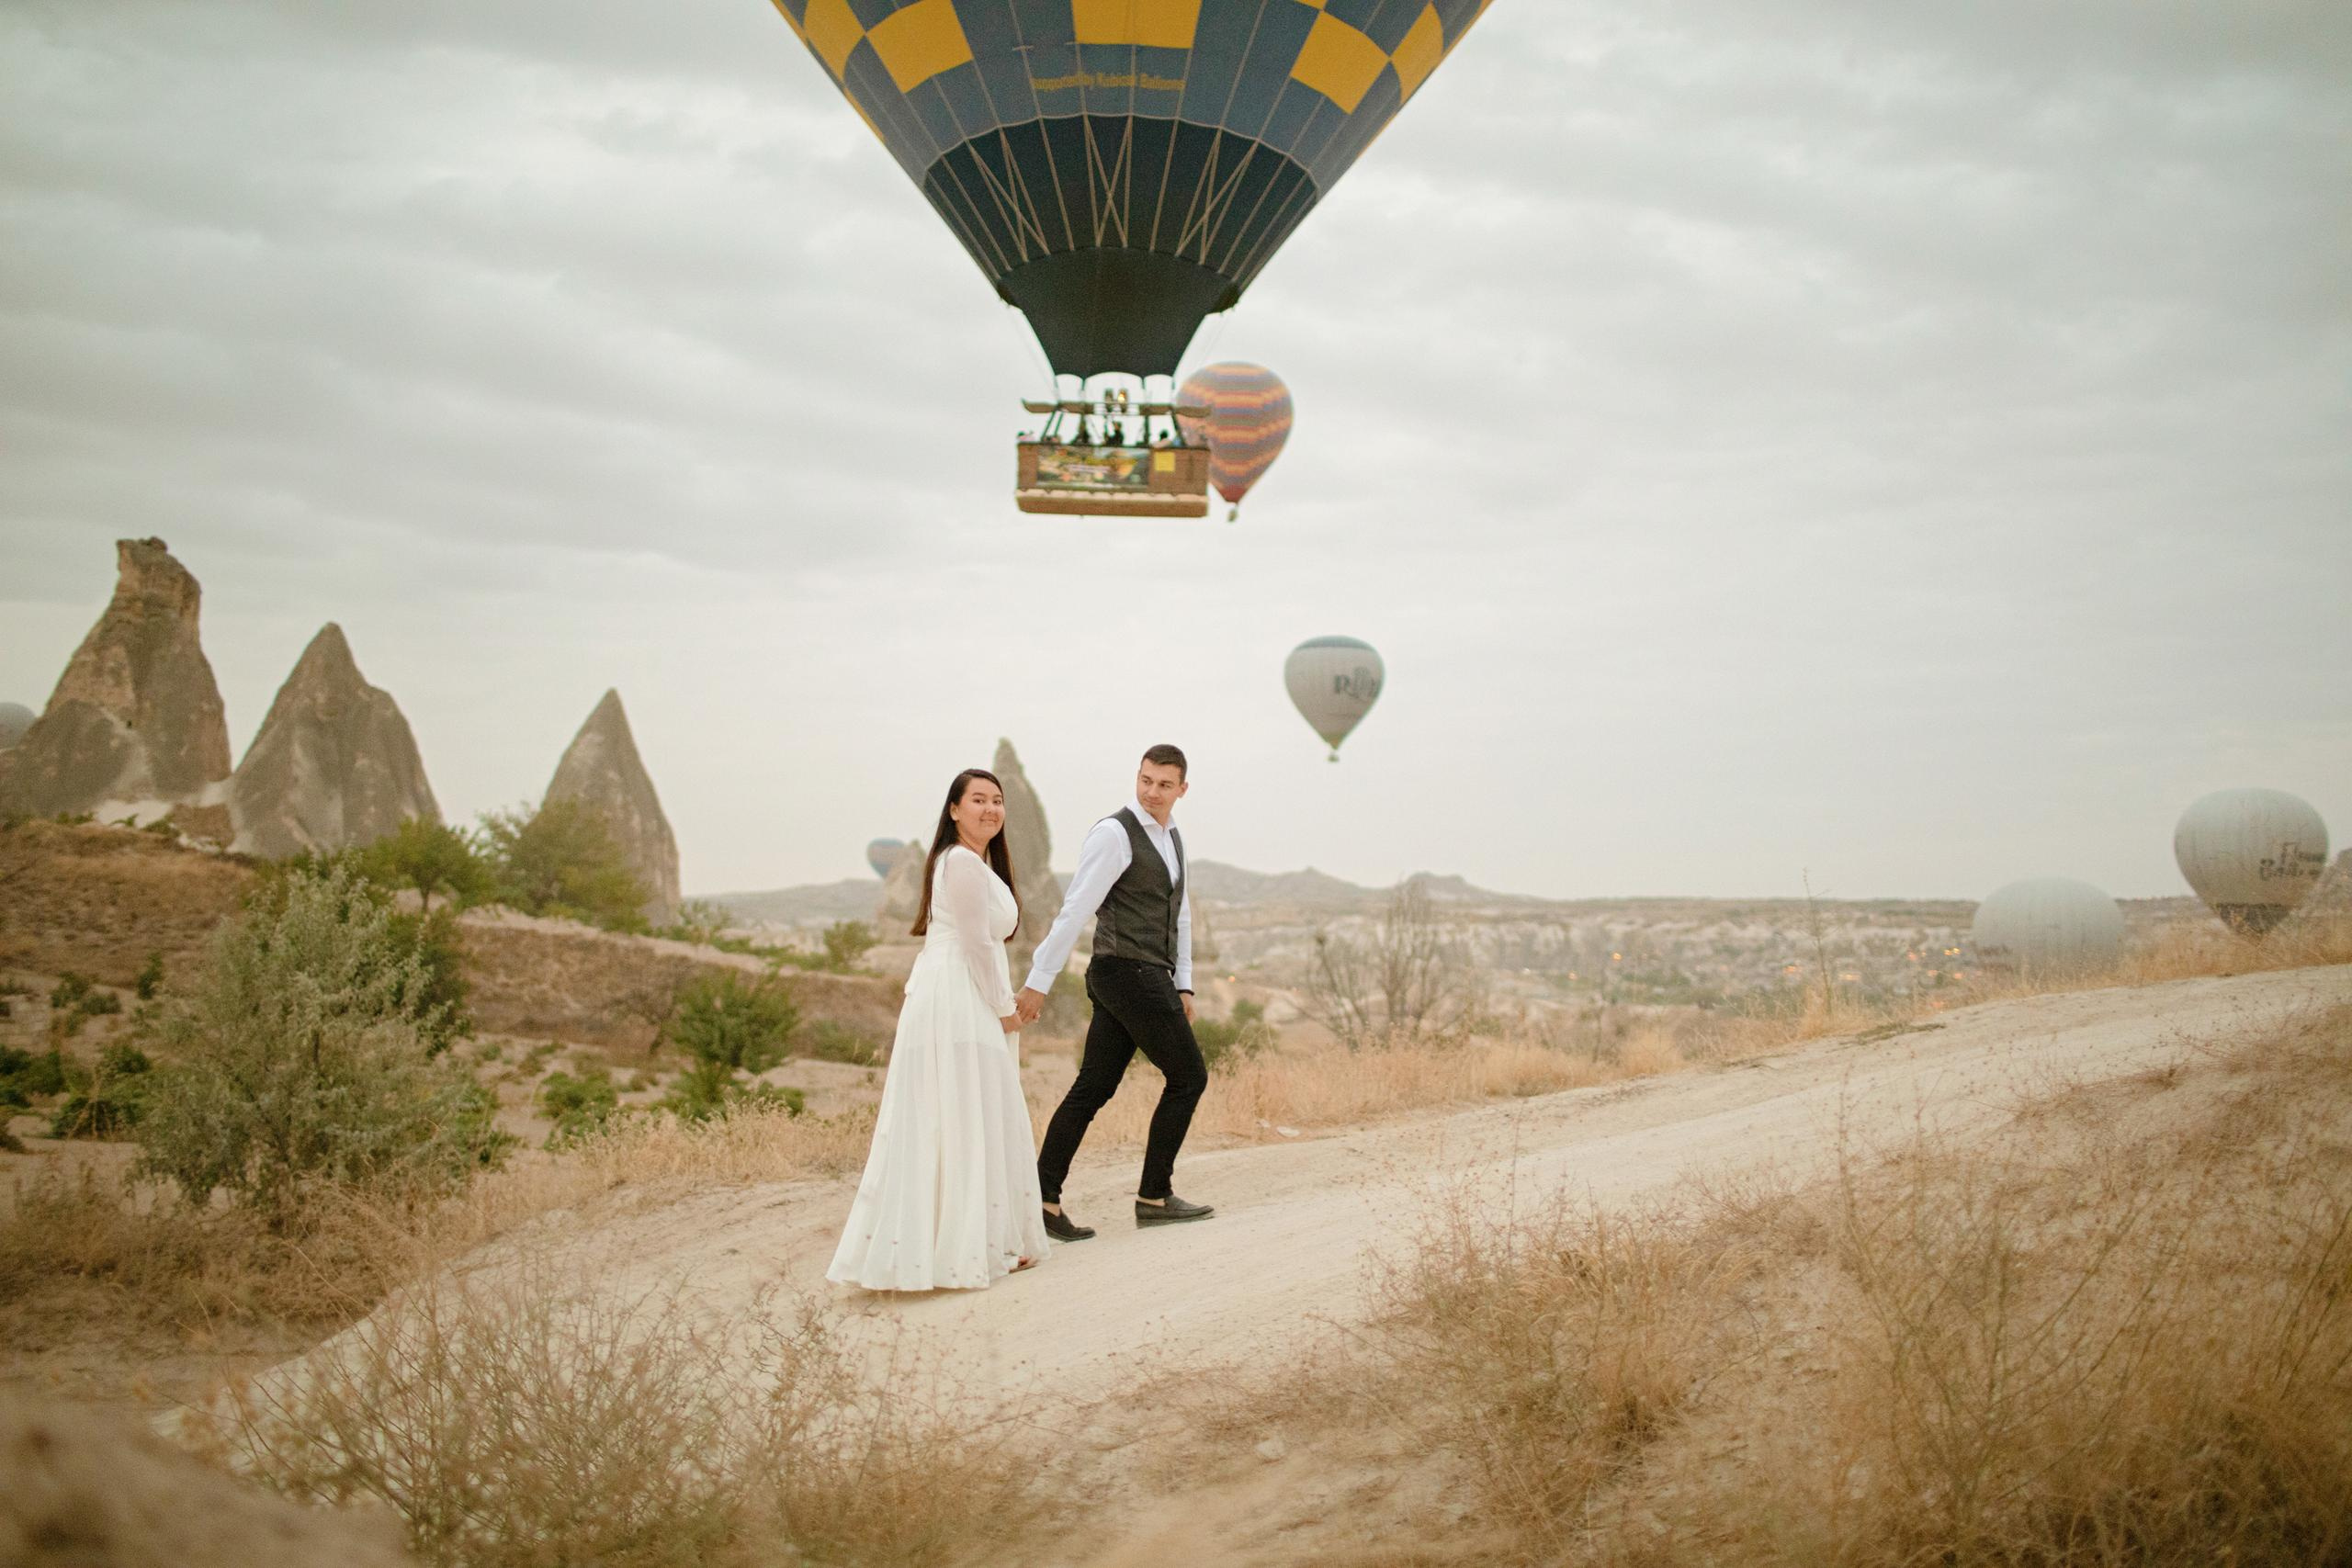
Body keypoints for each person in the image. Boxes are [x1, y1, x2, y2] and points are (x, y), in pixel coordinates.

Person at [828, 769, 1052, 1291]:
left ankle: (974, 1241)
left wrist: (1003, 1001)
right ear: (954, 810)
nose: (991, 809)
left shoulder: (974, 865)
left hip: (960, 988)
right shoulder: (962, 864)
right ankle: (965, 1246)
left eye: (998, 801)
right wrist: (1004, 1009)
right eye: (978, 800)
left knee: (958, 1113)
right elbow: (975, 942)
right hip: (958, 995)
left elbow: (983, 946)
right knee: (963, 1111)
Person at [1016, 744, 1214, 1237]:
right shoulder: (1114, 834)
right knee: (1189, 1077)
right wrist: (1039, 981)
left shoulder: (1172, 837)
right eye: (1146, 780)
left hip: (1140, 974)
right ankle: (1154, 1195)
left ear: (1182, 789)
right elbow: (1075, 910)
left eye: (1164, 784)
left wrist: (1184, 982)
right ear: (1137, 777)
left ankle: (1043, 1200)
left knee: (1094, 1086)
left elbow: (1181, 912)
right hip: (1127, 973)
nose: (1152, 791)